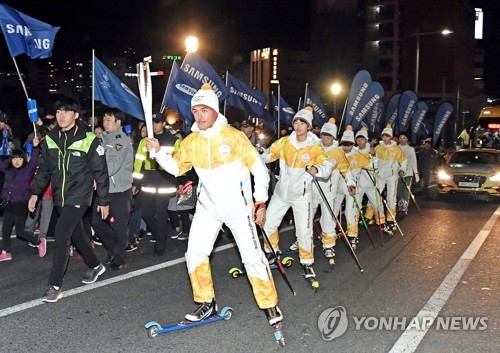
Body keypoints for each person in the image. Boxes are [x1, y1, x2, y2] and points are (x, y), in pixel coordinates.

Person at [146, 84, 282, 327]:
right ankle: (206, 303)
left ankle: (269, 303)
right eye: (195, 111)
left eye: (204, 110)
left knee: (252, 258)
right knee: (195, 253)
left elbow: (260, 171)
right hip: (208, 208)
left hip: (239, 209)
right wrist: (158, 154)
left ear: (215, 111)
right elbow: (178, 168)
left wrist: (260, 202)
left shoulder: (234, 137)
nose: (199, 116)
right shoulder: (191, 141)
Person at [29, 96, 109, 303]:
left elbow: (101, 172)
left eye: (66, 111)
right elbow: (43, 169)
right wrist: (35, 193)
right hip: (60, 196)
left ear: (75, 114)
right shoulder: (50, 139)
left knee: (62, 232)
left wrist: (103, 200)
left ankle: (54, 286)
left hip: (80, 195)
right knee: (77, 234)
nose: (62, 115)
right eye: (58, 112)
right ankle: (96, 266)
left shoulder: (89, 139)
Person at [259, 106, 332, 284]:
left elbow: (327, 166)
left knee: (304, 231)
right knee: (268, 224)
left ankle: (307, 263)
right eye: (296, 122)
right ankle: (272, 251)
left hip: (301, 196)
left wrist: (318, 169)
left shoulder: (315, 147)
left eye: (303, 123)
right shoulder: (285, 142)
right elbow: (269, 156)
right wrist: (260, 154)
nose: (298, 126)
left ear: (309, 127)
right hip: (281, 194)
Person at [91, 108, 134, 270]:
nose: (105, 122)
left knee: (120, 226)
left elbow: (112, 165)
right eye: (104, 119)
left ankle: (119, 258)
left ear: (118, 122)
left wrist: (96, 177)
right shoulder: (101, 139)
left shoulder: (120, 140)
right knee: (96, 222)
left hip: (120, 191)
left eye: (109, 119)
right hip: (104, 190)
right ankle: (113, 250)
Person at [132, 113, 178, 256]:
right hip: (148, 181)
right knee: (146, 213)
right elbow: (138, 163)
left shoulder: (173, 140)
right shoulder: (143, 141)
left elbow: (178, 163)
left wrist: (180, 182)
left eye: (157, 122)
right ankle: (160, 235)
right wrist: (136, 183)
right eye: (152, 122)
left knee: (161, 213)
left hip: (165, 180)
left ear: (164, 124)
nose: (154, 125)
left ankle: (160, 245)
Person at [309, 118, 352, 263]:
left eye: (328, 137)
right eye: (323, 136)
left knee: (328, 219)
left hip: (329, 193)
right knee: (307, 218)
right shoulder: (315, 148)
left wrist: (351, 182)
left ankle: (329, 245)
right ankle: (304, 243)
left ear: (334, 138)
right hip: (312, 190)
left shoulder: (338, 153)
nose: (325, 139)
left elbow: (347, 171)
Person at [0, 140, 46, 262]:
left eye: (20, 158)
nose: (17, 161)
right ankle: (6, 251)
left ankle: (38, 242)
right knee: (6, 228)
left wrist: (36, 147)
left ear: (24, 159)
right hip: (9, 202)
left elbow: (34, 161)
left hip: (21, 203)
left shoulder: (27, 170)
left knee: (20, 231)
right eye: (14, 158)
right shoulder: (8, 169)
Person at [332, 126, 375, 249]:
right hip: (337, 188)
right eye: (344, 144)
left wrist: (374, 156)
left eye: (349, 144)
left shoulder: (358, 155)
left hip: (351, 189)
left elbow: (372, 166)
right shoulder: (337, 152)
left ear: (353, 144)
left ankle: (352, 234)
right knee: (333, 211)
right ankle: (330, 232)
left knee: (351, 213)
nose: (346, 147)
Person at [373, 125, 407, 235]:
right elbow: (374, 160)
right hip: (380, 176)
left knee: (391, 198)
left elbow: (404, 161)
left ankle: (391, 219)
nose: (385, 138)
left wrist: (402, 169)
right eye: (383, 136)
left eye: (387, 136)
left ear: (391, 137)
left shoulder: (396, 149)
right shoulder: (378, 148)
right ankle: (380, 218)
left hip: (392, 176)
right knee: (376, 196)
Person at [397, 131, 419, 217]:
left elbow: (414, 162)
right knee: (399, 191)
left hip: (408, 173)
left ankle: (404, 208)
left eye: (404, 138)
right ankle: (400, 206)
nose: (402, 140)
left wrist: (416, 174)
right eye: (400, 138)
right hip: (397, 174)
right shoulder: (396, 148)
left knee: (406, 191)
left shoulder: (410, 149)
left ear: (407, 139)